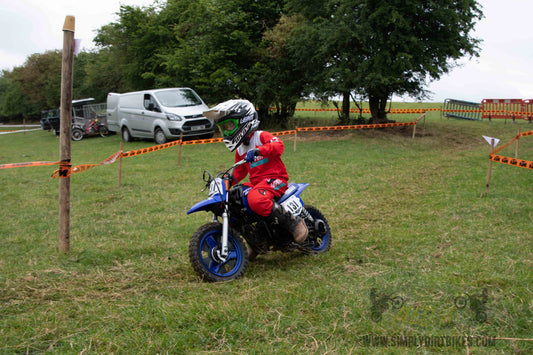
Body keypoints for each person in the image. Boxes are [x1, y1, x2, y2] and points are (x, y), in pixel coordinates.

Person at [204, 99, 308, 245]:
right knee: (233, 199)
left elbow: (279, 146)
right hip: (258, 184)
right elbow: (239, 171)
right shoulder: (240, 149)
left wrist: (259, 150)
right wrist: (226, 182)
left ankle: (294, 223)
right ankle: (254, 240)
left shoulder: (260, 136)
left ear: (244, 120)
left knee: (255, 199)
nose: (226, 131)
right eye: (223, 128)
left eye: (229, 126)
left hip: (275, 180)